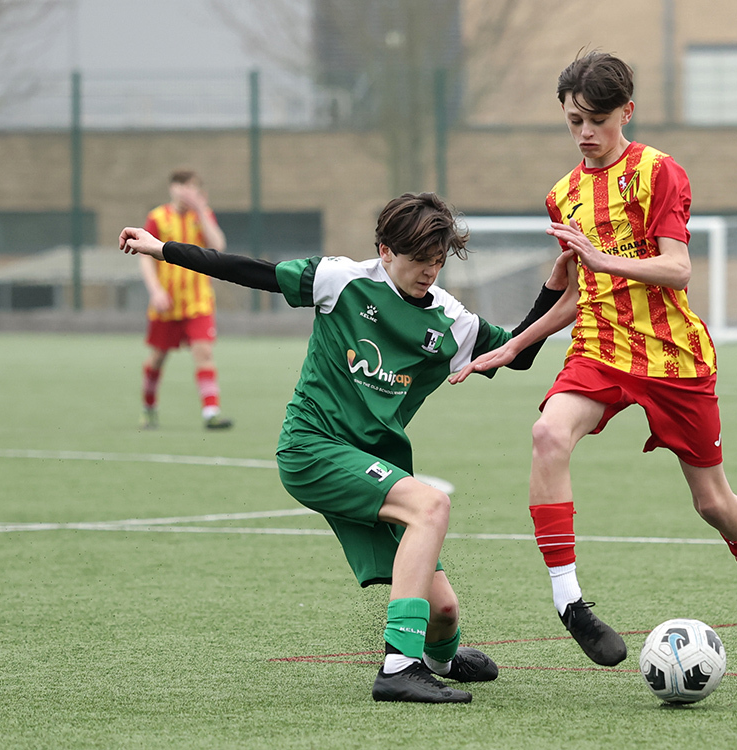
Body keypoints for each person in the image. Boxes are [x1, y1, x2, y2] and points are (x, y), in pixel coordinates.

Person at [120, 192, 572, 703]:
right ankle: (398, 668)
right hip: (312, 448)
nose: (429, 271)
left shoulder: (450, 319)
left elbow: (517, 355)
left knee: (443, 611)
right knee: (431, 505)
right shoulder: (342, 279)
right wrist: (163, 250)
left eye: (437, 261)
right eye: (418, 260)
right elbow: (254, 272)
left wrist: (554, 289)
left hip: (371, 466)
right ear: (385, 251)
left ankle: (437, 659)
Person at [449, 51, 737, 674]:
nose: (585, 133)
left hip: (673, 356)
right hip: (600, 349)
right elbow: (581, 295)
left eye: (597, 119)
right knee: (548, 433)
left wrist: (605, 261)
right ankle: (570, 603)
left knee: (713, 503)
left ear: (625, 113)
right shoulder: (562, 195)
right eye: (574, 120)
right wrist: (516, 343)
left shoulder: (660, 173)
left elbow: (677, 268)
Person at [139, 168, 232, 430]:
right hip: (166, 303)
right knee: (157, 358)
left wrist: (201, 211)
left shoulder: (202, 217)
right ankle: (149, 408)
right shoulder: (158, 217)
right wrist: (155, 290)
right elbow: (144, 257)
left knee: (204, 352)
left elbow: (218, 246)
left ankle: (211, 412)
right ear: (171, 189)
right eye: (179, 185)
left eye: (189, 186)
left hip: (198, 302)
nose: (183, 191)